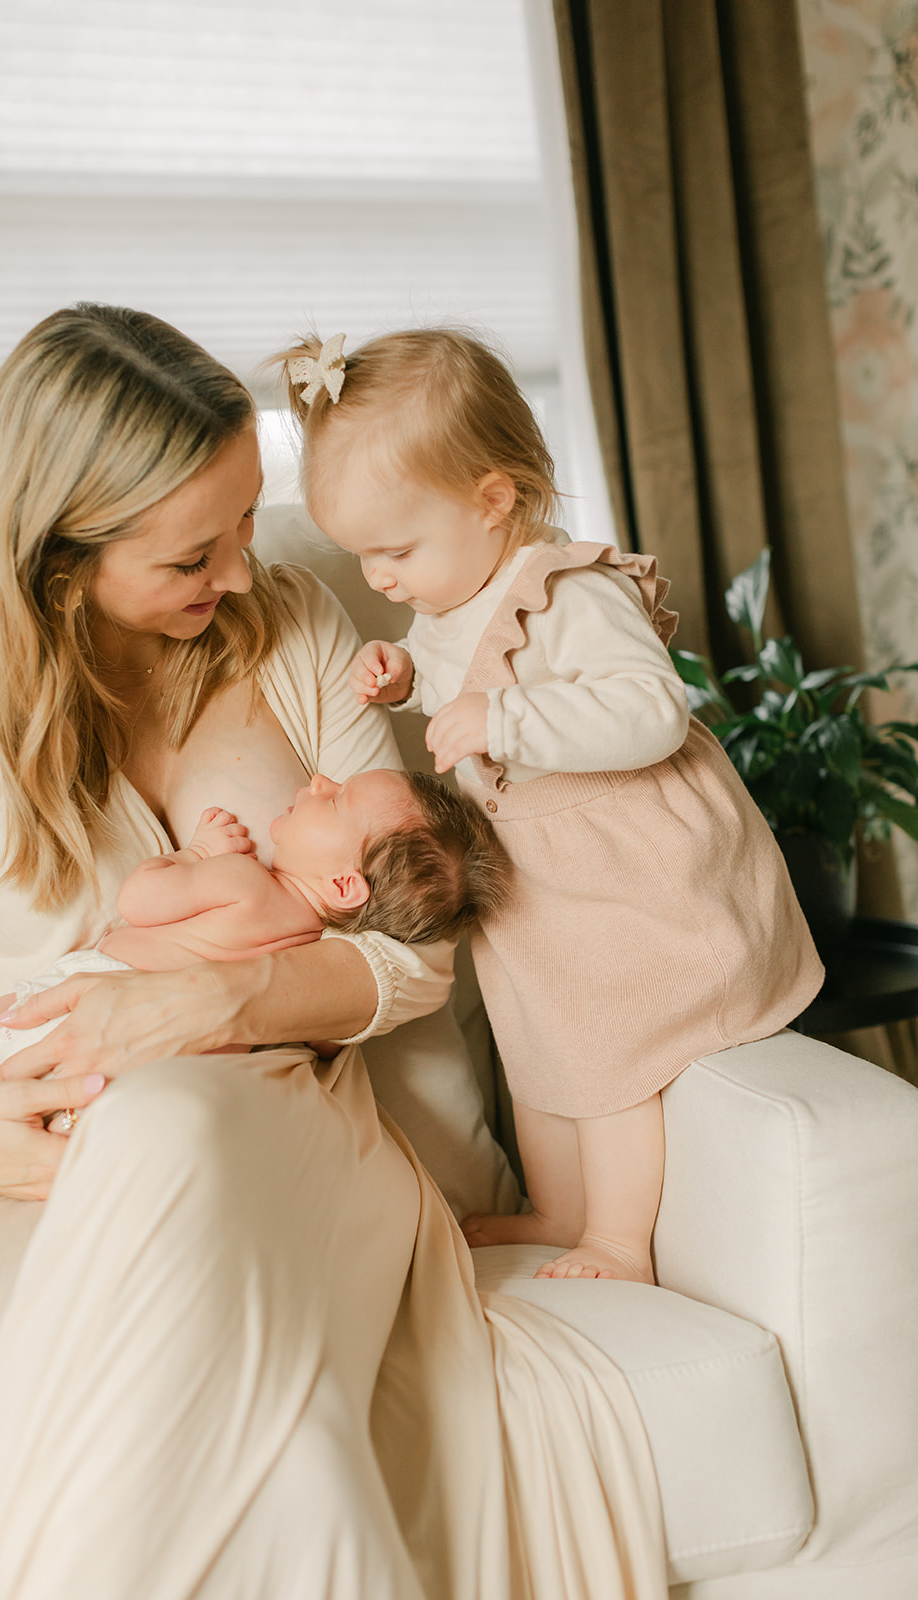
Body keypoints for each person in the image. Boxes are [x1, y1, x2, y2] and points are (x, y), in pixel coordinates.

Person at [0, 305, 668, 1599]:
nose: (242, 570)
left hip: (304, 1144)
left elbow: (415, 952)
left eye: (246, 519)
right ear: (62, 549)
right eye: (194, 552)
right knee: (279, 1438)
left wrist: (218, 997)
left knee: (181, 1126)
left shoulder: (294, 634)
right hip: (31, 1187)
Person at [279, 325, 825, 1286]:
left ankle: (619, 1237)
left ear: (494, 500)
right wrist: (409, 676)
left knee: (613, 1045)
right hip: (537, 882)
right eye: (361, 555)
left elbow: (650, 712)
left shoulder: (569, 590)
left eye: (395, 549)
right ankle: (556, 1206)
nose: (377, 579)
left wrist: (507, 718)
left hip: (627, 870)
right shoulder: (448, 597)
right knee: (540, 1049)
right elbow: (461, 673)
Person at [0, 769, 507, 1258]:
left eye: (334, 799)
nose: (317, 779)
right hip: (153, 1080)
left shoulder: (246, 882)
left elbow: (141, 901)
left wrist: (195, 855)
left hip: (97, 1004)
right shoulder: (313, 954)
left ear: (345, 884)